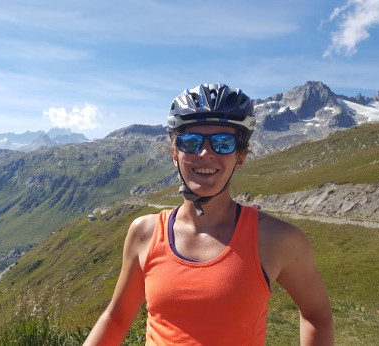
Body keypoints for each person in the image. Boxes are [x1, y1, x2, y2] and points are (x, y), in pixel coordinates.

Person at [84, 83, 334, 345]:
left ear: (240, 157)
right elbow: (116, 317)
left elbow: (317, 315)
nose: (205, 153)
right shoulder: (144, 233)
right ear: (174, 153)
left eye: (223, 143)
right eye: (190, 142)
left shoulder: (277, 239)